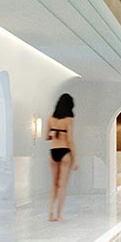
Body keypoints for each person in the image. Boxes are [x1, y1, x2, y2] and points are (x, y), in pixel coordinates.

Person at [46, 92, 75, 222]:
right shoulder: (69, 120)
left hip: (53, 151)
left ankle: (50, 213)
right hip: (65, 151)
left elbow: (46, 137)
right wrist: (74, 159)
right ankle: (59, 215)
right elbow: (70, 140)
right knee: (62, 185)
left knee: (54, 184)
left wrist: (54, 134)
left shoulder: (50, 119)